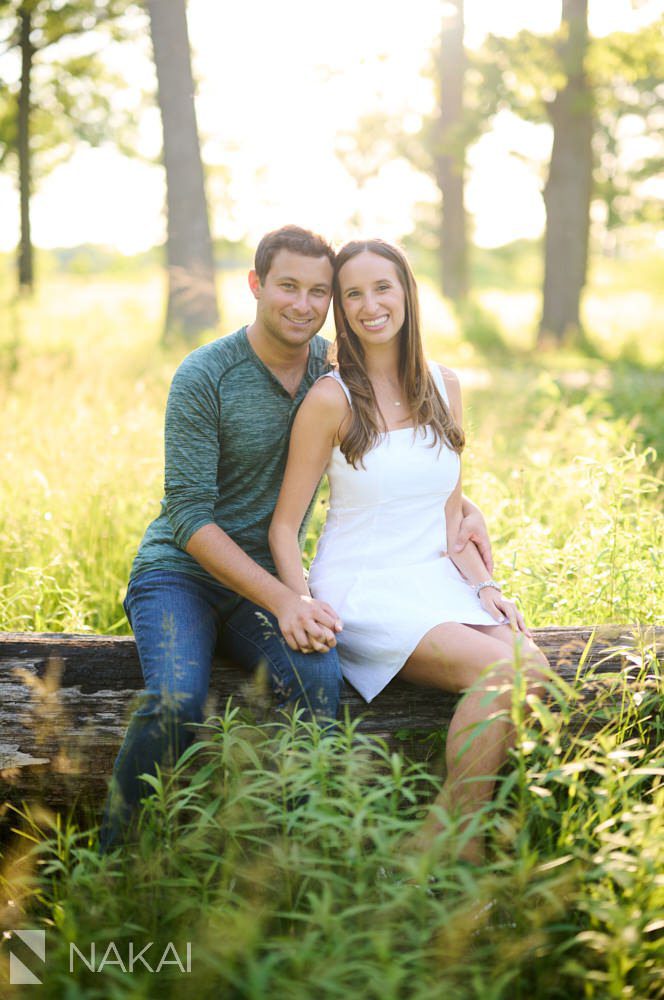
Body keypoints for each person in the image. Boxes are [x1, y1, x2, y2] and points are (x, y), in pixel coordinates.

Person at [99, 225, 493, 852]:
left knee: (319, 679)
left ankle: (303, 853)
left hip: (277, 578)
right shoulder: (205, 375)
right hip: (182, 574)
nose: (304, 305)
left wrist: (459, 502)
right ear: (256, 285)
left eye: (318, 292)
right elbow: (189, 518)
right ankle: (113, 861)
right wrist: (287, 601)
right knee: (176, 698)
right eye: (288, 287)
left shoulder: (332, 364)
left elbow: (392, 449)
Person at [269, 238, 549, 864]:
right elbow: (285, 526)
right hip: (363, 586)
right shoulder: (331, 398)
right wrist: (300, 602)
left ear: (407, 294)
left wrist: (487, 589)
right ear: (342, 309)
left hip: (434, 578)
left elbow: (451, 519)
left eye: (382, 288)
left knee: (536, 673)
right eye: (354, 294)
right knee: (501, 674)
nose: (371, 305)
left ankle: (432, 839)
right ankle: (464, 845)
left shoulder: (445, 386)